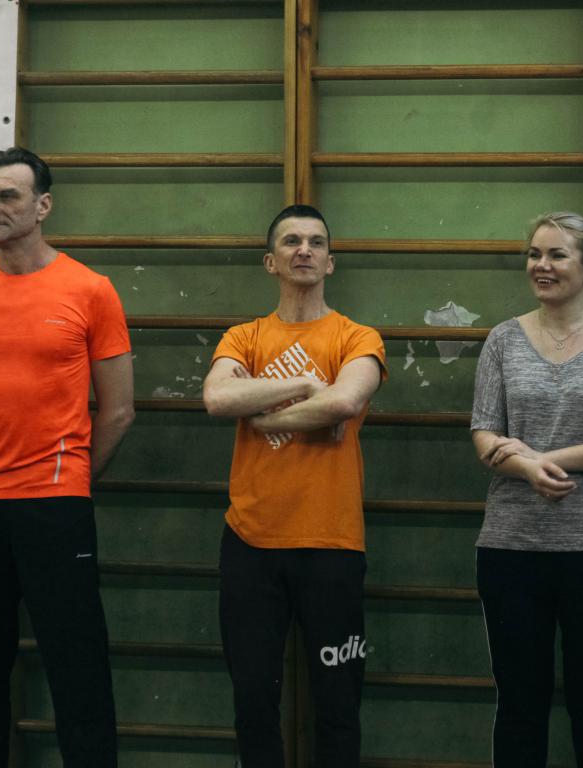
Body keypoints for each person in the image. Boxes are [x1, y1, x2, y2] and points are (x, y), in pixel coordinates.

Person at [0, 147, 135, 767]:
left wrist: (71, 479)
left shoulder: (90, 289)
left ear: (43, 206)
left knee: (78, 670)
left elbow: (118, 411)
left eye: (7, 196)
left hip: (55, 504)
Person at [202, 204, 387, 766]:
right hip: (250, 544)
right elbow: (218, 398)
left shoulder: (357, 336)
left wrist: (264, 415)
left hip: (332, 545)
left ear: (330, 262)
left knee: (338, 705)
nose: (304, 250)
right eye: (291, 241)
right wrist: (307, 386)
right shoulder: (244, 336)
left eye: (316, 242)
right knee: (253, 703)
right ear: (270, 261)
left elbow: (347, 400)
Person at [470, 211, 583, 767]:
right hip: (510, 548)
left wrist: (543, 459)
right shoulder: (502, 339)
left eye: (556, 255)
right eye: (534, 254)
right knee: (518, 707)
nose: (541, 265)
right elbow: (484, 434)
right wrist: (524, 469)